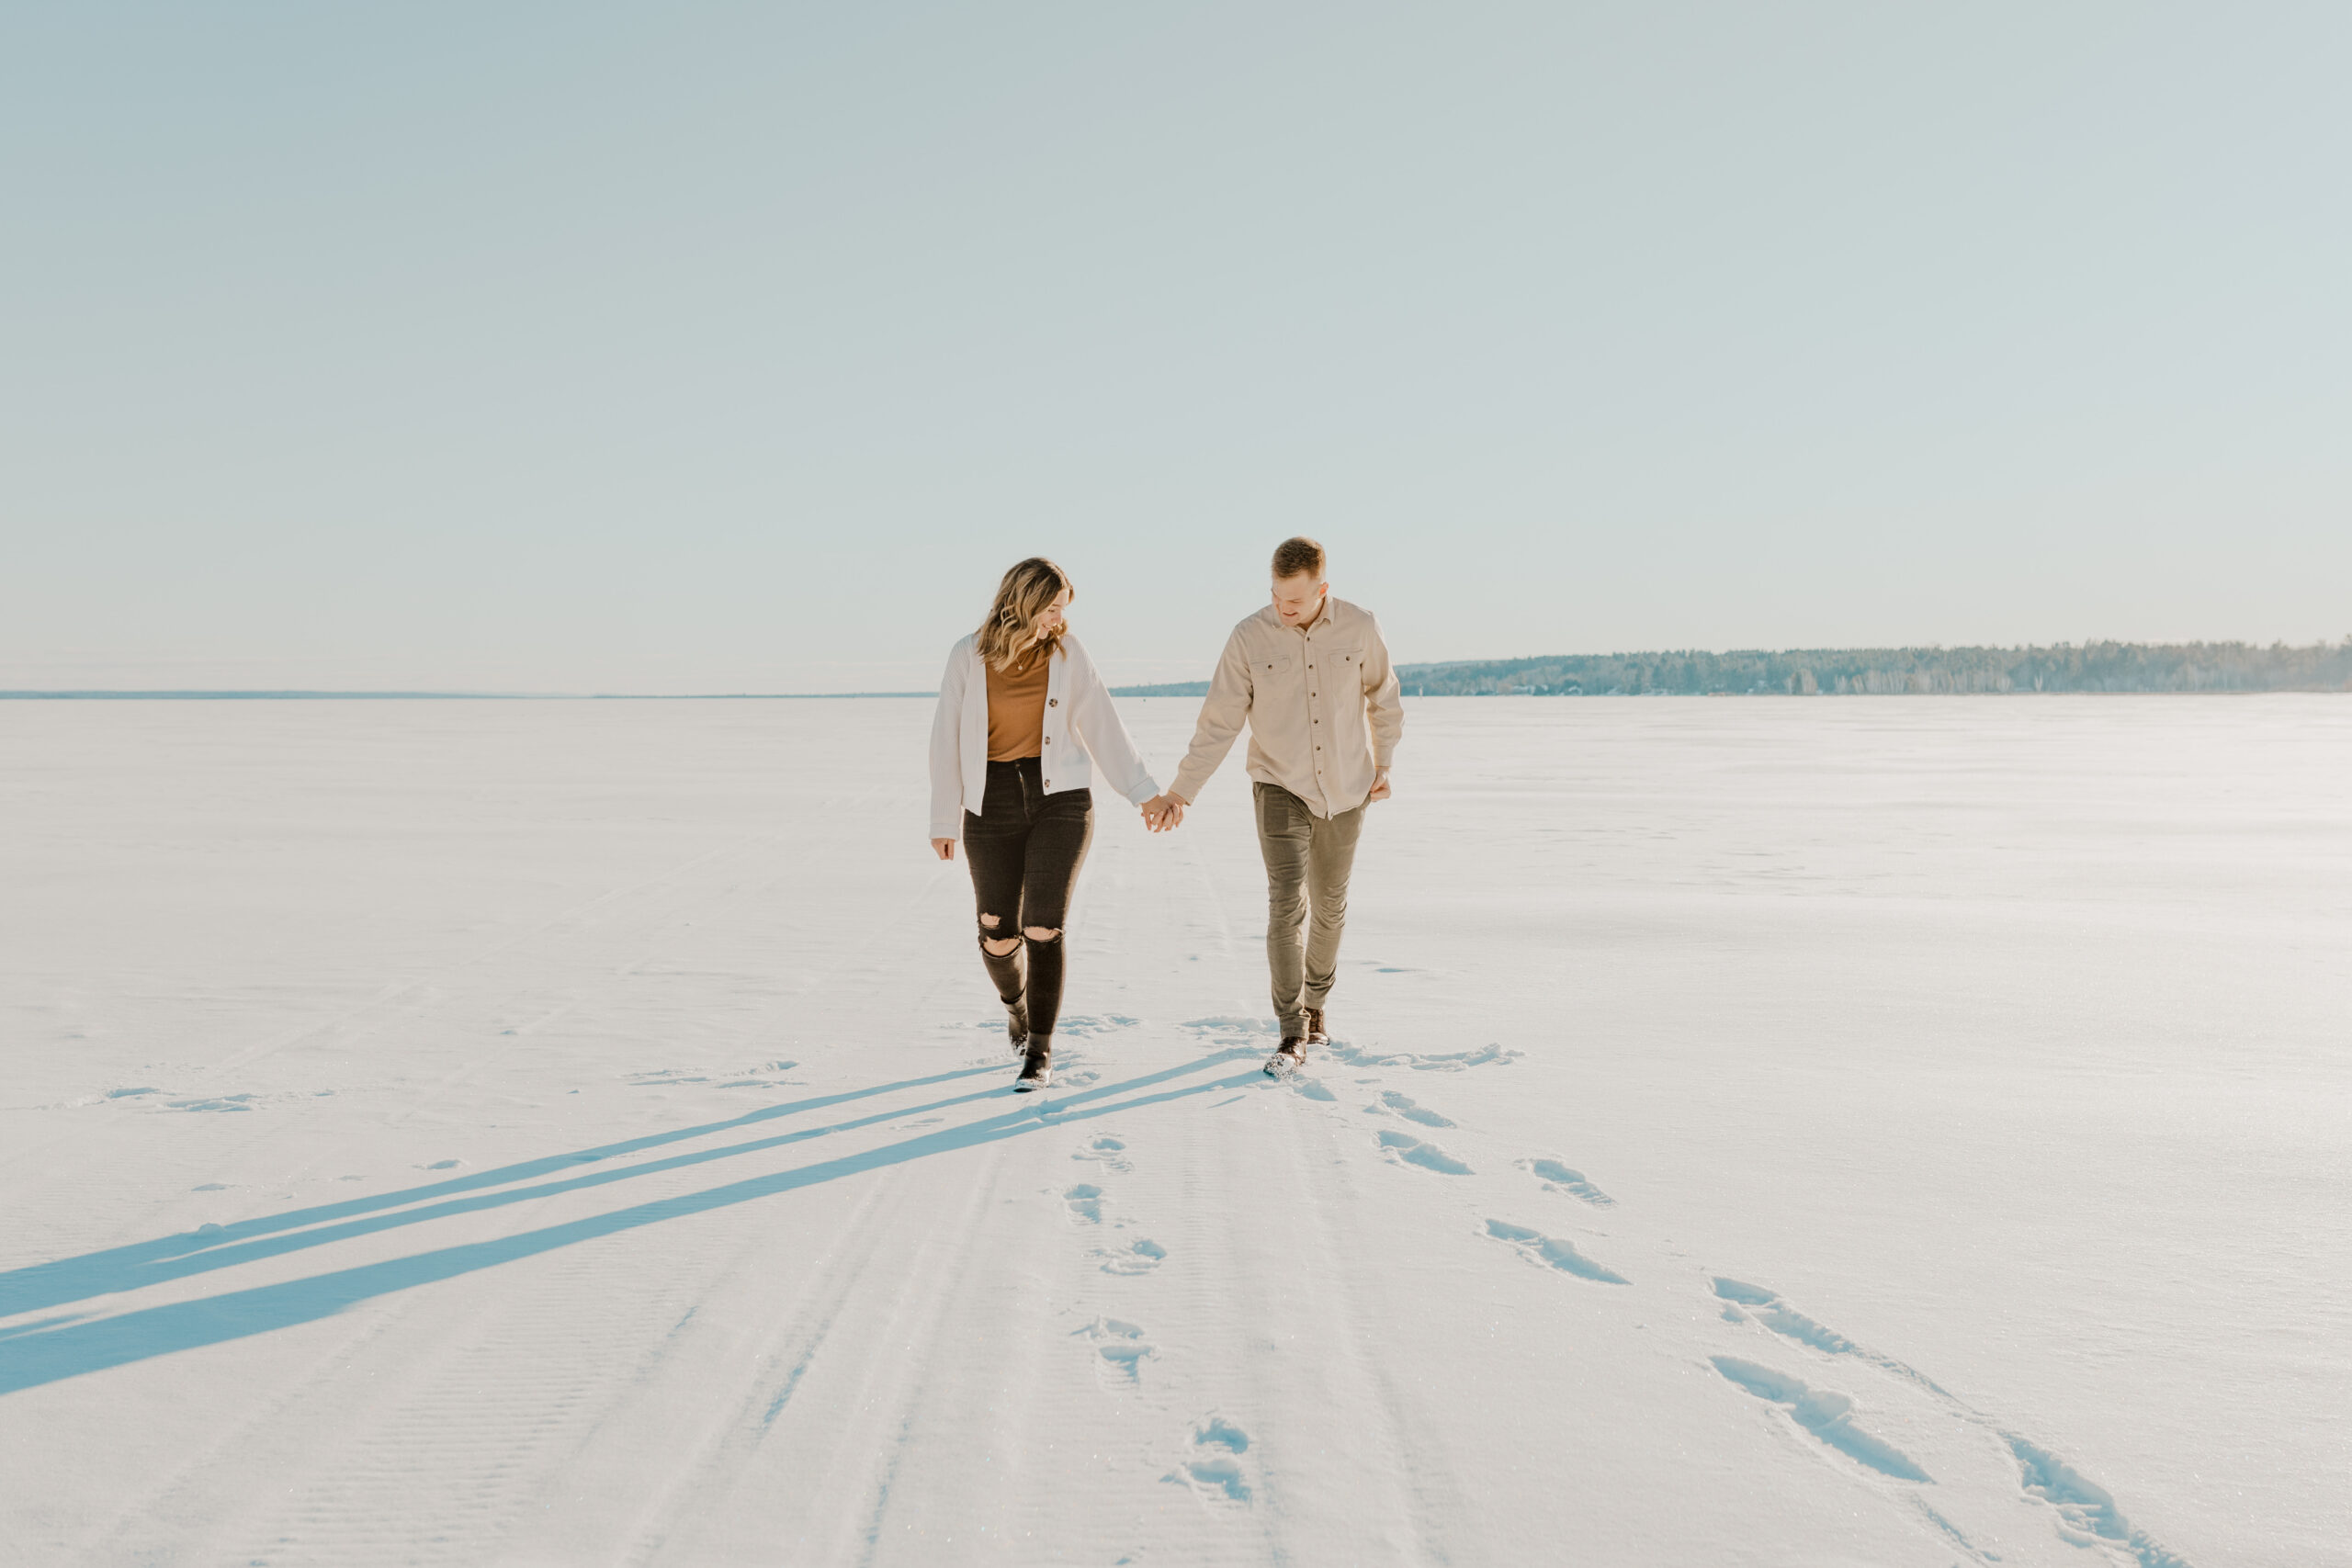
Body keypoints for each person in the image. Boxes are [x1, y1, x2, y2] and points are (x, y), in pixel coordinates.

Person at [1141, 537, 1403, 1077]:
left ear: (1322, 591)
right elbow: (1219, 722)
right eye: (1279, 598)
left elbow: (1384, 698)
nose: (1286, 609)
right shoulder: (1249, 637)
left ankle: (1316, 1005)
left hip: (1349, 790)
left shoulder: (1359, 626)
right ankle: (1290, 1030)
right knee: (1286, 901)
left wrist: (1384, 764)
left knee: (1329, 905)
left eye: (1298, 601)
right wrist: (1179, 792)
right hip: (1279, 785)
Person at [930, 557, 1168, 1091]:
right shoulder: (968, 655)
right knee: (997, 932)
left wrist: (1144, 794)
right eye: (1052, 609)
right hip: (989, 805)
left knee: (1043, 924)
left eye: (1063, 610)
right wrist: (943, 817)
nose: (1059, 620)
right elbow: (945, 736)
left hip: (1060, 800)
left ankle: (1039, 1049)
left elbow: (1103, 722)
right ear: (1024, 603)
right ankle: (1016, 1006)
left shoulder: (1067, 653)